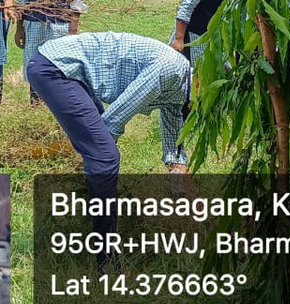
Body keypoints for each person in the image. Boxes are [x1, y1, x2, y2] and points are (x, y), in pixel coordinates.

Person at [26, 32, 190, 266]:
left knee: (100, 155)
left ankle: (87, 216)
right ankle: (107, 260)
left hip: (68, 70)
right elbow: (115, 118)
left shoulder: (182, 85)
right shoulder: (170, 70)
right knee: (105, 157)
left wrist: (177, 172)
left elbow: (175, 120)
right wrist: (98, 158)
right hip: (56, 68)